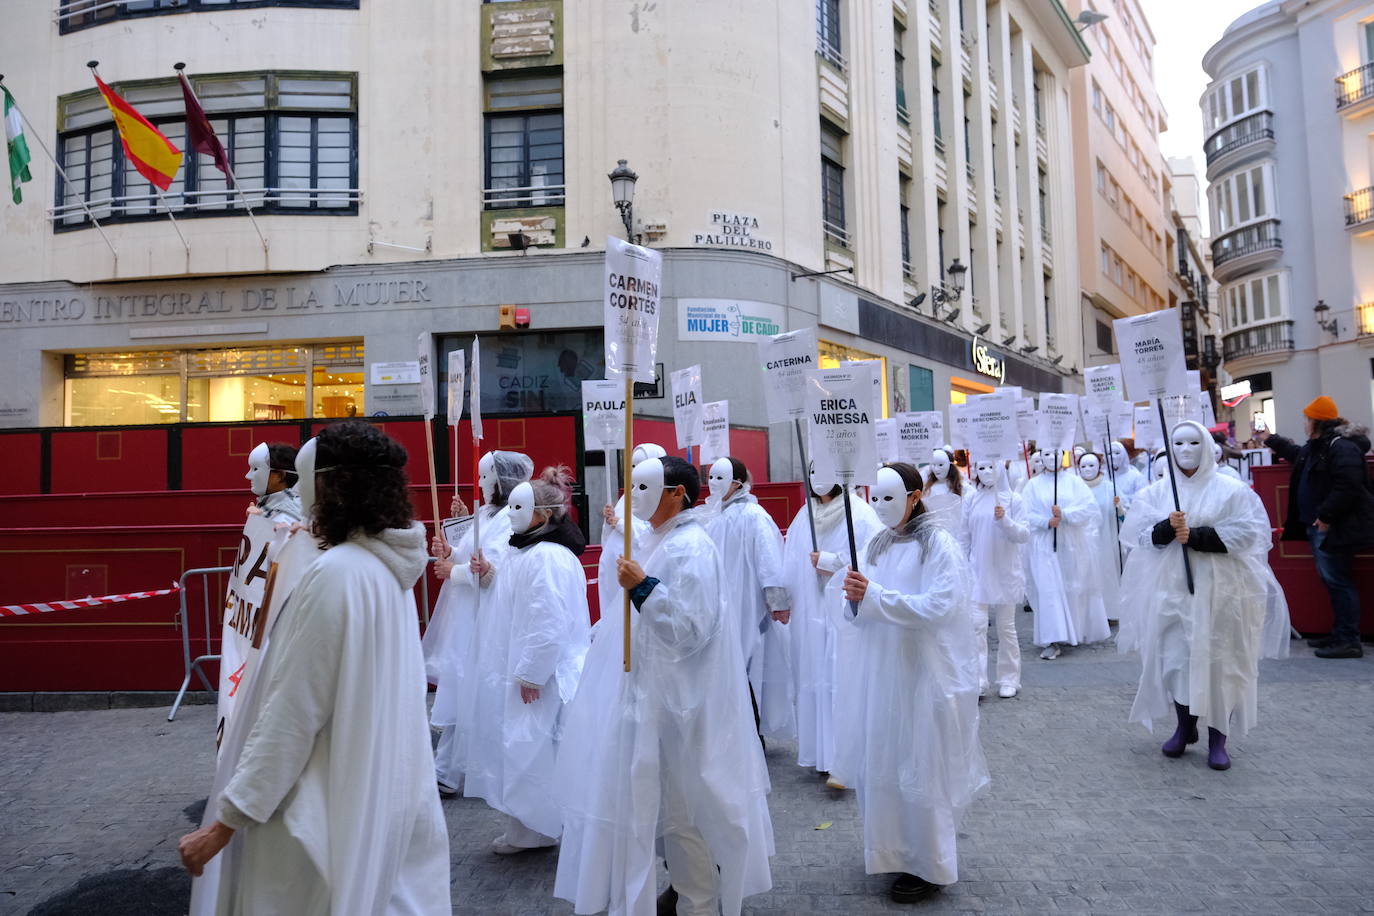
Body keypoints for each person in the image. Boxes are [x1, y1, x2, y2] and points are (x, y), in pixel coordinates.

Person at [178, 420, 450, 913]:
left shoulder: (337, 574)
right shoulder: (384, 572)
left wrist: (225, 823)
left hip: (318, 816)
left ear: (329, 488)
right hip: (369, 800)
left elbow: (293, 713)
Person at [555, 456, 774, 916]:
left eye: (645, 486)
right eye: (631, 486)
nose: (634, 495)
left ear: (677, 493)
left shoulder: (690, 548)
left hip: (680, 705)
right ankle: (682, 890)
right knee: (657, 805)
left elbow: (690, 628)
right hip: (650, 698)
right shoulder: (657, 539)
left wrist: (644, 588)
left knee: (682, 809)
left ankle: (698, 901)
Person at [833, 462, 987, 903]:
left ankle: (931, 863)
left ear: (915, 497)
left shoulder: (937, 545)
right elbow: (857, 611)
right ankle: (893, 851)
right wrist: (855, 598)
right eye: (876, 497)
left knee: (924, 766)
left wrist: (875, 596)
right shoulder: (876, 543)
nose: (881, 506)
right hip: (883, 673)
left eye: (890, 497)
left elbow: (940, 607)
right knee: (886, 762)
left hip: (925, 674)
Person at [1122, 420, 1292, 769]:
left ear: (1207, 446)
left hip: (1222, 591)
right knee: (1176, 659)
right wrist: (1165, 529)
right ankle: (1185, 727)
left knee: (1220, 662)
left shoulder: (1232, 490)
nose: (1185, 450)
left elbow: (1251, 533)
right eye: (1178, 443)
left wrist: (1198, 537)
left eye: (1193, 442)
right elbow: (1136, 536)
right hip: (1171, 592)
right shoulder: (1156, 493)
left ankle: (1218, 737)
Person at [464, 466, 590, 853]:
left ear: (544, 515)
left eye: (521, 507)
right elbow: (513, 601)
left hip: (538, 678)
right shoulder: (528, 551)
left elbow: (548, 621)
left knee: (530, 748)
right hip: (521, 670)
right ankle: (533, 824)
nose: (512, 514)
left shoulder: (547, 557)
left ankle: (535, 828)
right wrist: (489, 576)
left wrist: (533, 673)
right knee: (525, 746)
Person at [426, 449, 535, 796]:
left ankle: (453, 769)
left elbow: (495, 568)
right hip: (465, 616)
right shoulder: (485, 514)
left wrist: (454, 571)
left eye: (485, 476)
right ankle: (445, 769)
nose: (480, 482)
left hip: (486, 617)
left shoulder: (507, 518)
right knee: (459, 684)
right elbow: (468, 554)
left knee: (473, 684)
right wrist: (450, 552)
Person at [781, 465, 883, 781]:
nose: (818, 479)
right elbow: (791, 557)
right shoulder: (805, 515)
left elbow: (872, 557)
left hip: (842, 615)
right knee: (814, 682)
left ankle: (846, 758)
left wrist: (830, 562)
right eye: (813, 472)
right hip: (810, 616)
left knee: (841, 681)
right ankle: (821, 754)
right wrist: (783, 598)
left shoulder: (860, 515)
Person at [1265, 396, 1374, 658]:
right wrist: (1271, 439)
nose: (1304, 424)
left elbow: (1348, 484)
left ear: (1317, 422)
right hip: (1322, 525)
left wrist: (1325, 515)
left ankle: (1348, 639)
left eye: (1307, 419)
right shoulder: (1319, 447)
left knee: (1338, 581)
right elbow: (1298, 456)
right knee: (1333, 580)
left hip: (1333, 527)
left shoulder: (1340, 447)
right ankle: (1340, 633)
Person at [702, 456, 792, 741]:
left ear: (738, 483)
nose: (713, 483)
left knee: (745, 667)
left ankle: (751, 736)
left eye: (720, 477)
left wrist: (777, 601)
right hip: (720, 604)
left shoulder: (754, 516)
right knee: (728, 669)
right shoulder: (714, 517)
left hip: (746, 605)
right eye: (710, 477)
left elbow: (769, 560)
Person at [1021, 447, 1110, 659]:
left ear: (1064, 456)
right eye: (1046, 454)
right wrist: (1045, 522)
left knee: (1072, 588)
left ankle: (1073, 631)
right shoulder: (1032, 485)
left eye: (1056, 453)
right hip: (1044, 545)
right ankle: (1052, 637)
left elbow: (1089, 508)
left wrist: (1065, 515)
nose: (1052, 458)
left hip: (1072, 544)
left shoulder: (1075, 482)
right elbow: (1025, 513)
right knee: (1049, 590)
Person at [966, 459, 1030, 698]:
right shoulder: (971, 499)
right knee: (977, 626)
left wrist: (1005, 521)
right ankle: (978, 679)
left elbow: (1023, 534)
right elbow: (964, 535)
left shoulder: (1014, 500)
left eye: (990, 467)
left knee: (1006, 628)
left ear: (1000, 468)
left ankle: (1009, 678)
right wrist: (963, 565)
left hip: (1006, 572)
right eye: (981, 467)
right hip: (977, 571)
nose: (985, 472)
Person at [597, 443, 664, 624]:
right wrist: (610, 520)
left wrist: (621, 524)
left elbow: (650, 535)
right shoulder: (628, 496)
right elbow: (612, 531)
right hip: (614, 566)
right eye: (633, 466)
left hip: (634, 567)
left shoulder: (656, 499)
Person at [1077, 452, 1123, 625]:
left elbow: (1123, 515)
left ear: (1099, 466)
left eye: (1091, 465)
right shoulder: (1074, 487)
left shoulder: (1109, 487)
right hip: (1081, 543)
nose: (1087, 469)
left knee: (1107, 574)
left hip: (1105, 540)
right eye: (1083, 466)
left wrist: (1119, 507)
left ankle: (1110, 612)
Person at [244, 441, 304, 523]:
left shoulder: (287, 515)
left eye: (255, 469)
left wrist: (260, 522)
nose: (248, 476)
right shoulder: (270, 506)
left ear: (279, 476)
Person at [923, 448, 971, 547]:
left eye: (940, 465)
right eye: (933, 465)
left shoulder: (962, 487)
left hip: (958, 536)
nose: (936, 469)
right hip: (937, 537)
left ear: (949, 465)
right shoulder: (929, 489)